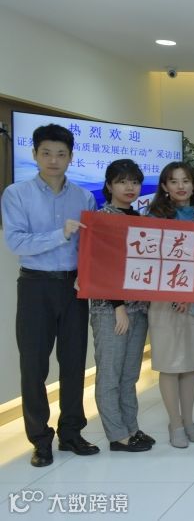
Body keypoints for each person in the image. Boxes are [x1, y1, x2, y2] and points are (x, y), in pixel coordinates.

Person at [2, 124, 98, 467]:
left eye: (61, 154)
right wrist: (61, 234)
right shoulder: (16, 194)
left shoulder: (84, 198)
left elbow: (92, 246)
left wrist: (88, 275)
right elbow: (16, 242)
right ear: (34, 154)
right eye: (46, 153)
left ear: (71, 157)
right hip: (35, 286)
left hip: (74, 287)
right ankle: (40, 440)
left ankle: (71, 433)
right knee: (33, 365)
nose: (53, 160)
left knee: (74, 363)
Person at [91, 159, 154, 453]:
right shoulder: (101, 218)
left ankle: (132, 428)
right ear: (109, 185)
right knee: (110, 374)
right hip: (110, 309)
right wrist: (117, 306)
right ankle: (117, 435)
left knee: (130, 375)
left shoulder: (140, 218)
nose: (130, 187)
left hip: (139, 308)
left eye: (134, 182)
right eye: (122, 181)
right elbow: (101, 265)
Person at [147, 161, 194, 449]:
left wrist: (192, 294)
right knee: (170, 365)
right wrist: (175, 293)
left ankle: (190, 420)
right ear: (164, 187)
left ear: (193, 185)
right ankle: (175, 423)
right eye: (174, 181)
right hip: (164, 301)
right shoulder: (154, 218)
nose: (181, 186)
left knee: (190, 364)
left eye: (186, 181)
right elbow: (151, 260)